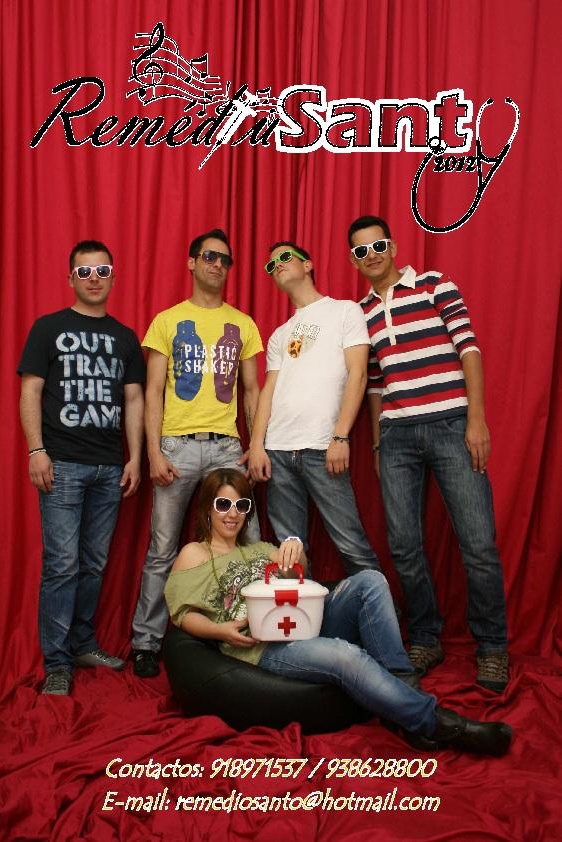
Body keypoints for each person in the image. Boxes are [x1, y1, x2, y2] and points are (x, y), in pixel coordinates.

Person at [165, 468, 512, 755]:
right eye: (223, 504)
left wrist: (294, 549)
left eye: (241, 505)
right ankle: (441, 724)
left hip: (302, 619)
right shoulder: (194, 553)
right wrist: (221, 631)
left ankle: (403, 700)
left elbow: (300, 569)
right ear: (207, 508)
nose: (233, 513)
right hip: (262, 645)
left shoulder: (258, 548)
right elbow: (182, 615)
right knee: (346, 656)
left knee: (371, 580)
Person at [348, 215, 509, 692]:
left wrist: (476, 419)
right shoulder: (362, 313)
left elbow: (469, 350)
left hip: (451, 425)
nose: (371, 255)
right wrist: (377, 442)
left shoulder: (435, 284)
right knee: (403, 544)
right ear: (354, 261)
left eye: (377, 245)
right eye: (360, 251)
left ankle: (492, 646)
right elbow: (374, 384)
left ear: (393, 246)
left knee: (478, 543)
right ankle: (425, 637)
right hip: (396, 435)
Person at [131, 229, 263, 678]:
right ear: (191, 263)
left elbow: (251, 390)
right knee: (162, 548)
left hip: (226, 445)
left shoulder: (243, 324)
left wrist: (254, 445)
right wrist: (154, 451)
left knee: (247, 540)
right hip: (177, 446)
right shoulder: (167, 320)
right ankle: (146, 643)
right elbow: (152, 390)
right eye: (209, 257)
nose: (217, 265)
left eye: (225, 260)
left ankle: (254, 628)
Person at [18, 239, 145, 695]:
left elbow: (134, 399)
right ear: (70, 278)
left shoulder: (125, 337)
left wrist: (135, 456)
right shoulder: (48, 328)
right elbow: (31, 391)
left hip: (109, 468)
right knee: (62, 566)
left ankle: (83, 644)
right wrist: (36, 450)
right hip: (62, 464)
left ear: (113, 277)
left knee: (93, 564)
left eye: (102, 271)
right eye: (85, 271)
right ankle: (56, 662)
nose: (94, 279)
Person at [247, 241, 379, 575]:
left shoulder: (345, 311)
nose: (277, 265)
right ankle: (302, 612)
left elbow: (358, 374)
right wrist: (257, 445)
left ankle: (377, 609)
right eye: (271, 264)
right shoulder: (279, 334)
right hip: (278, 452)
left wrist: (341, 436)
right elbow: (269, 391)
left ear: (308, 265)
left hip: (322, 446)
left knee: (352, 545)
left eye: (285, 257)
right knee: (290, 554)